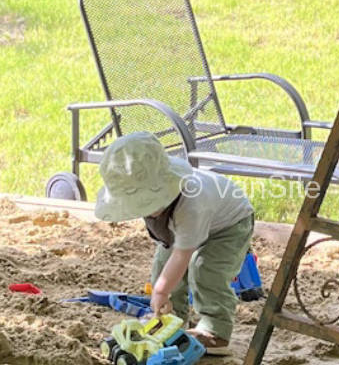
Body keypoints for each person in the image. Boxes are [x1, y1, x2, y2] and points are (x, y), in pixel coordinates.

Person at [94, 132, 256, 356]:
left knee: (206, 271)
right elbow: (170, 258)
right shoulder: (164, 204)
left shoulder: (192, 204)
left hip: (229, 225)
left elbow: (182, 256)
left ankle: (216, 330)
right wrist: (162, 289)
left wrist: (160, 291)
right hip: (180, 225)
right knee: (162, 267)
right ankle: (172, 319)